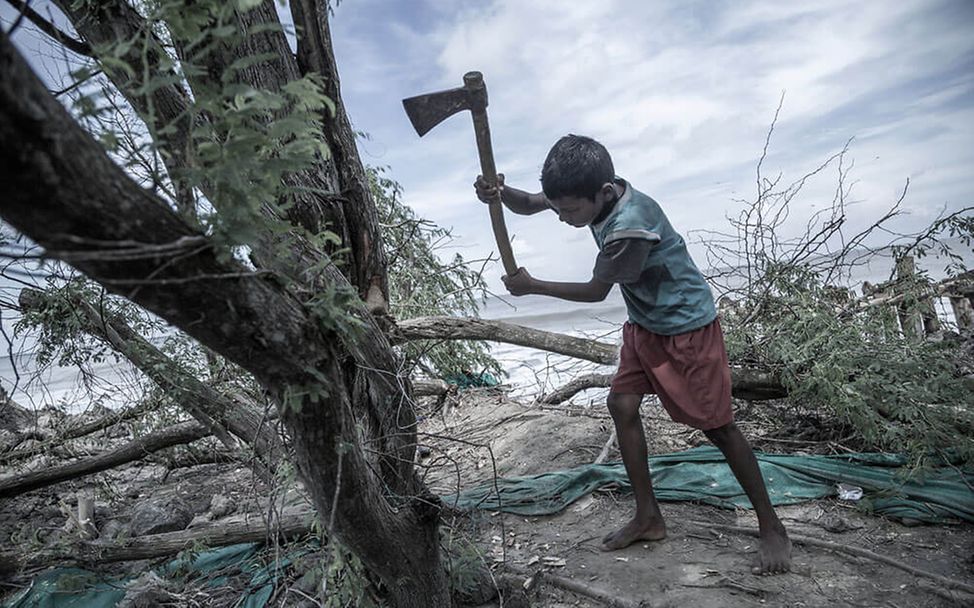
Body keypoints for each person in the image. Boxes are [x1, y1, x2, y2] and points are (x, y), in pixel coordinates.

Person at [474, 134, 791, 574]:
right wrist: (499, 192)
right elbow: (529, 203)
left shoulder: (630, 226)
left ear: (603, 194)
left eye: (570, 211)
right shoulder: (586, 188)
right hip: (645, 325)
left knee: (718, 427)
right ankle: (648, 516)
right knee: (621, 404)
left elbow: (595, 291)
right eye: (560, 208)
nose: (564, 218)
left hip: (686, 329)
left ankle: (772, 526)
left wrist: (534, 287)